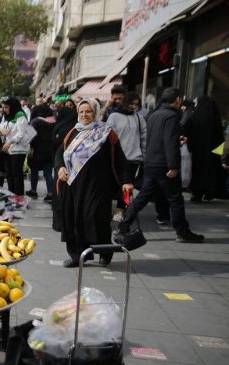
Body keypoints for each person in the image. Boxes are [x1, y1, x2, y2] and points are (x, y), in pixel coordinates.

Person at [117, 88, 204, 244]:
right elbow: (169, 141)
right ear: (177, 99)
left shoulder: (154, 114)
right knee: (175, 199)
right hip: (164, 164)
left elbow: (160, 139)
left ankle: (124, 224)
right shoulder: (171, 116)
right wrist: (173, 165)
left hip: (151, 162)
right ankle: (182, 231)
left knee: (143, 197)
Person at [55, 99, 133, 268]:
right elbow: (60, 153)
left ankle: (104, 252)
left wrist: (126, 180)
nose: (84, 115)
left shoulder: (106, 133)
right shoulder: (73, 132)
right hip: (73, 185)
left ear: (95, 112)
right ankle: (77, 255)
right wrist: (60, 167)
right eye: (81, 111)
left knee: (95, 218)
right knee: (74, 219)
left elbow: (119, 158)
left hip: (97, 186)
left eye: (88, 111)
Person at [107, 92, 170, 224]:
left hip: (133, 159)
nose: (134, 106)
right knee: (112, 184)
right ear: (125, 102)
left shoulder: (139, 118)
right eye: (131, 103)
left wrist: (144, 156)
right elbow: (109, 136)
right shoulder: (114, 116)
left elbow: (144, 138)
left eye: (136, 104)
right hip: (117, 158)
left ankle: (121, 210)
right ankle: (108, 210)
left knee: (127, 188)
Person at [184, 95, 226, 201]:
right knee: (211, 172)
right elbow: (220, 137)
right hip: (213, 153)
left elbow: (187, 130)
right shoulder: (216, 118)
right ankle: (209, 192)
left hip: (198, 152)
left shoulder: (195, 116)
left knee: (198, 171)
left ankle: (197, 193)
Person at [0, 96, 30, 195]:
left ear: (12, 106)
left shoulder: (20, 115)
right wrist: (0, 131)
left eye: (6, 107)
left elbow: (21, 133)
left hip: (18, 149)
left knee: (17, 174)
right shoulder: (4, 116)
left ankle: (19, 197)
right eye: (2, 107)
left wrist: (9, 142)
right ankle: (11, 195)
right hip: (7, 149)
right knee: (9, 174)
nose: (4, 109)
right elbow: (0, 128)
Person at [27, 104, 56, 201]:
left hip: (37, 150)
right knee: (48, 173)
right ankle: (51, 193)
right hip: (50, 150)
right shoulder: (53, 121)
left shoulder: (35, 121)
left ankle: (33, 191)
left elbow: (31, 137)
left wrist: (31, 146)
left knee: (34, 171)